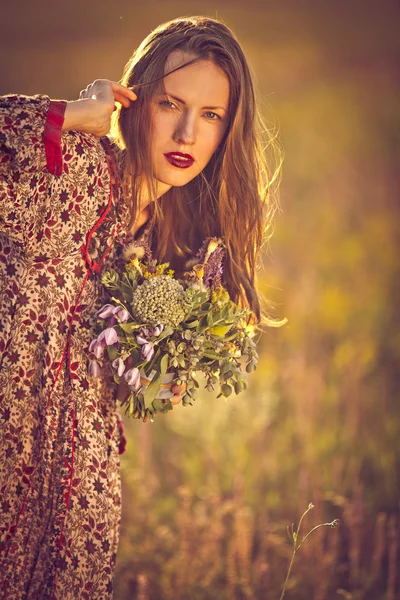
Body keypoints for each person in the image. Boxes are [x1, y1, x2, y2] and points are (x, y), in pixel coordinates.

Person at [0, 15, 281, 599]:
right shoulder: (71, 170)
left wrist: (159, 372)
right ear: (136, 103)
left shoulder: (173, 245)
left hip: (78, 483)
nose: (185, 134)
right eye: (170, 105)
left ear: (227, 132)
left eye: (210, 116)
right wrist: (73, 114)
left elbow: (140, 383)